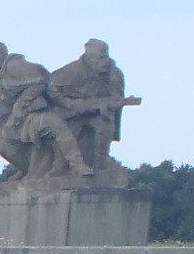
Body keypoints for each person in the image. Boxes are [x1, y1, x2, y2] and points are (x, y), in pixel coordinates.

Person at [0, 41, 88, 184]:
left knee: (56, 125)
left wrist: (20, 105)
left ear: (3, 54)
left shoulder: (14, 65)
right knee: (4, 148)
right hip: (16, 118)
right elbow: (2, 105)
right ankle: (31, 170)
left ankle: (78, 165)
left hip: (35, 110)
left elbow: (41, 81)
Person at [49, 38, 139, 186]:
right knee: (67, 133)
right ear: (89, 59)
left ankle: (100, 164)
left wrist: (112, 105)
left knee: (106, 125)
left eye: (106, 57)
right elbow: (52, 89)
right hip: (72, 114)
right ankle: (60, 166)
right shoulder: (71, 71)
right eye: (100, 58)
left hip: (97, 115)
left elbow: (116, 99)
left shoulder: (115, 74)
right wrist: (73, 105)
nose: (104, 62)